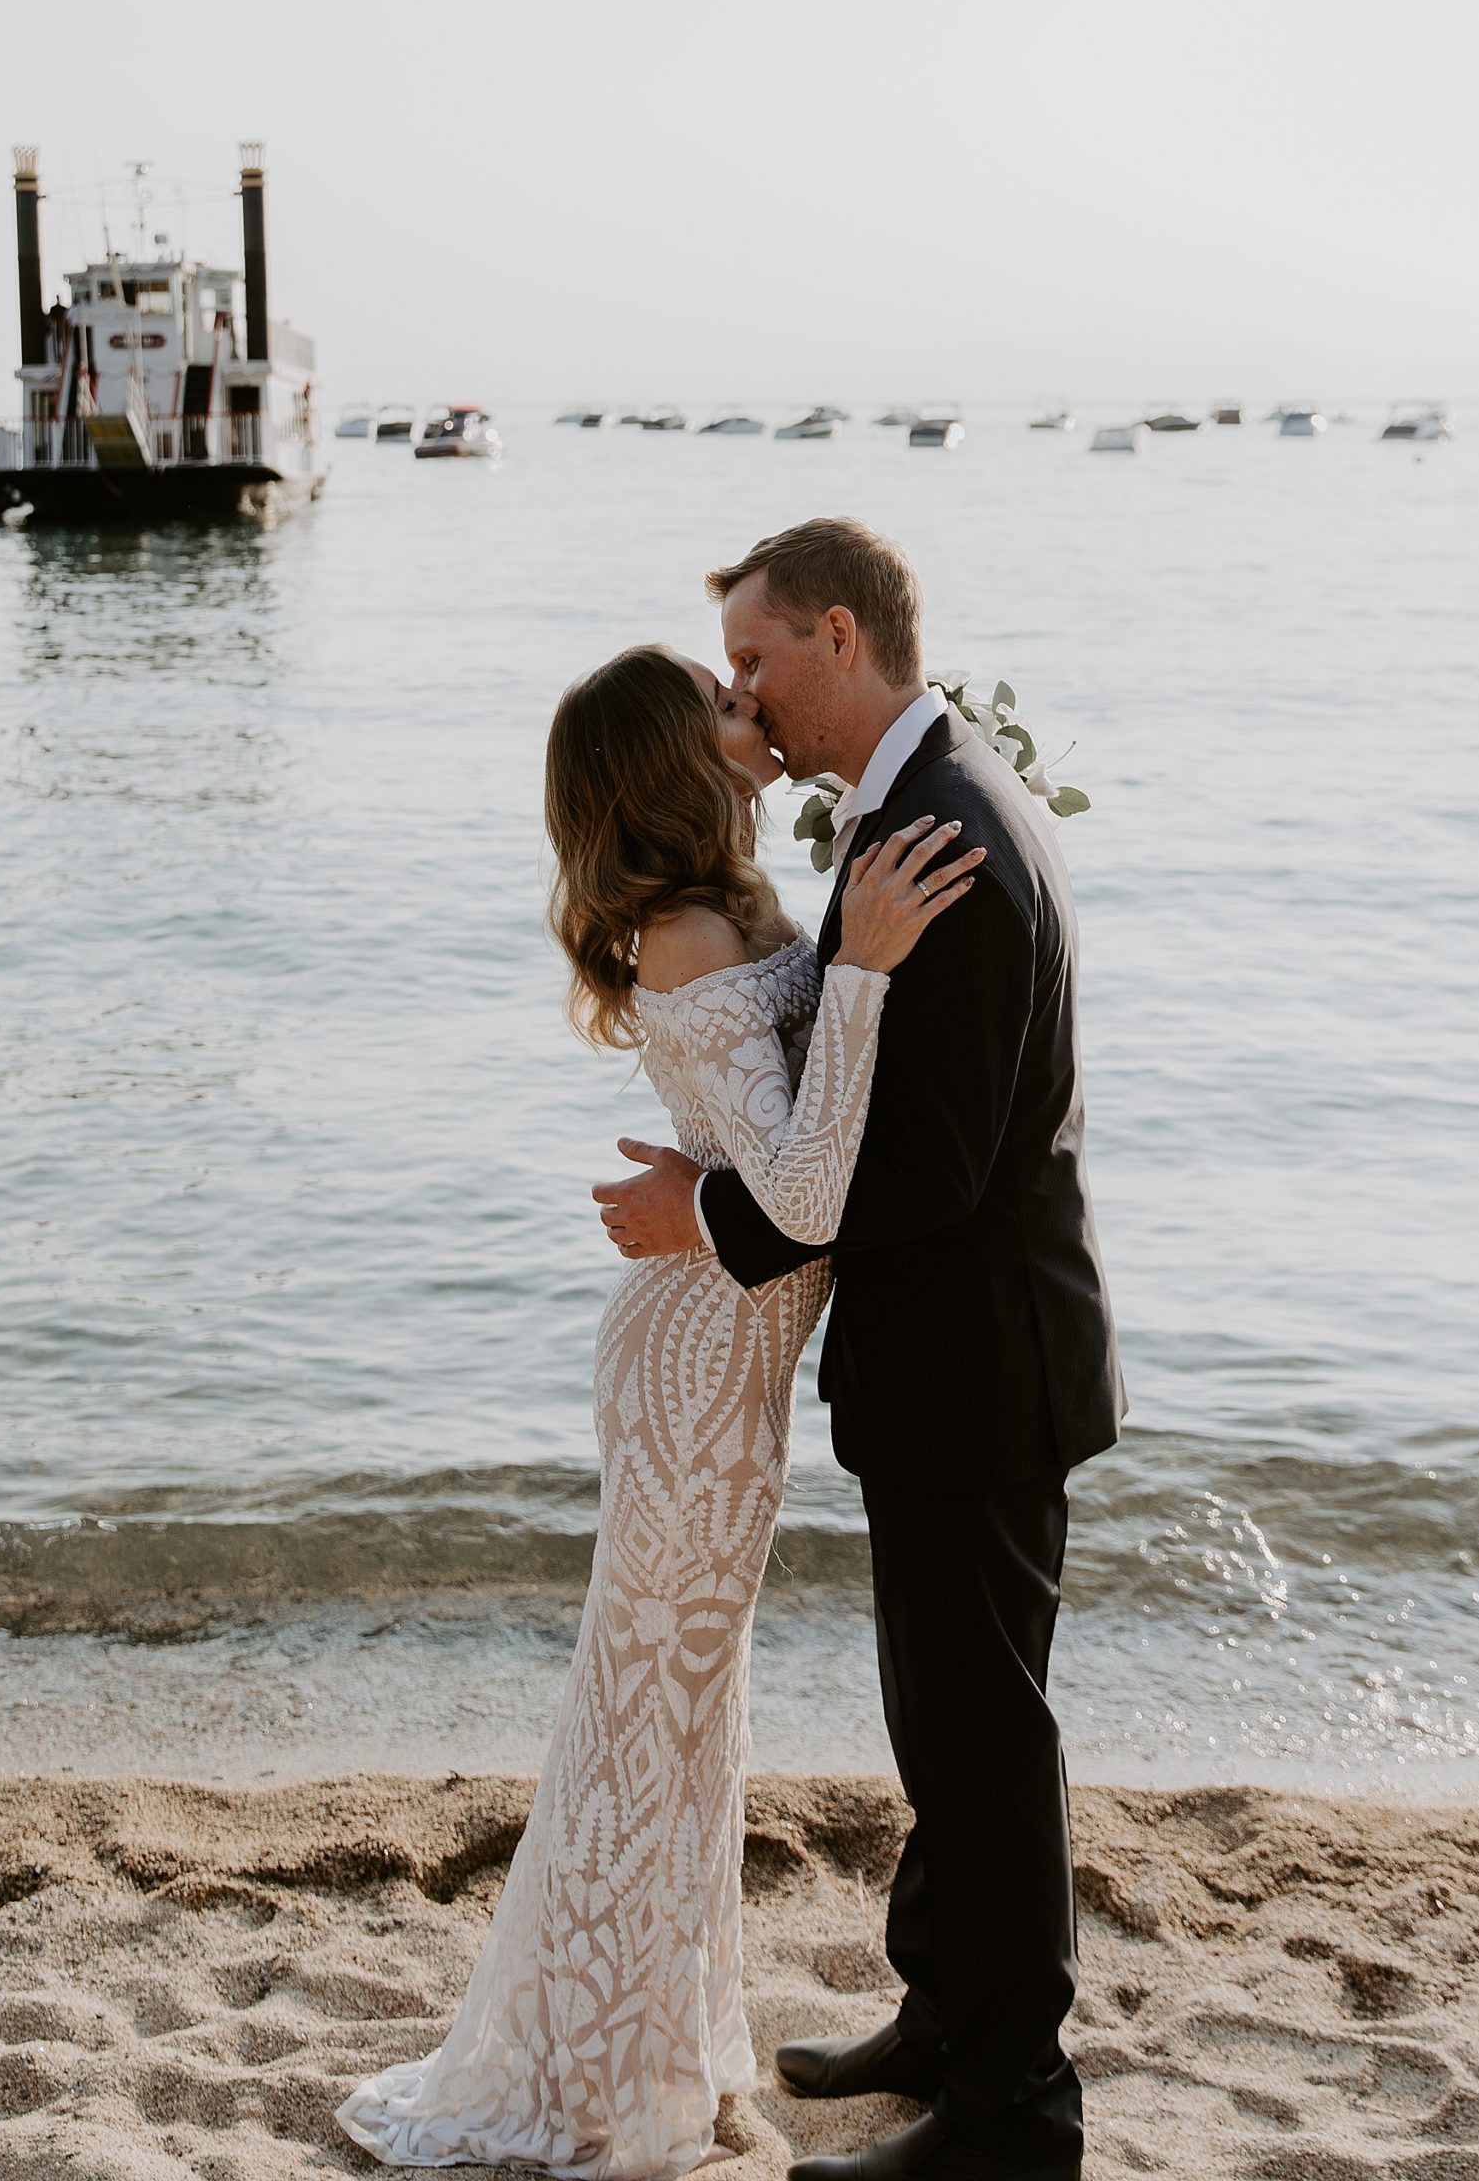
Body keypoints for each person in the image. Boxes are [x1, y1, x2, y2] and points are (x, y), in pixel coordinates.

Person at [338, 641, 982, 2174]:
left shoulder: (746, 901)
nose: (746, 705)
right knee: (652, 1717)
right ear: (665, 760)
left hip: (732, 1347)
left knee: (691, 1715)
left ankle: (669, 2050)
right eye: (717, 697)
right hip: (699, 1364)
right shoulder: (687, 936)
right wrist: (873, 971)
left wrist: (862, 963)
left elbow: (788, 1156)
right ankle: (601, 2082)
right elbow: (808, 1196)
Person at [596, 519, 1124, 2181]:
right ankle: (942, 2012)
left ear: (839, 635)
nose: (742, 694)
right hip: (960, 1360)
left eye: (755, 661)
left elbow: (922, 1172)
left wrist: (710, 1215)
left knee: (982, 1732)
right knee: (946, 1716)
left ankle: (1011, 2113)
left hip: (978, 1367)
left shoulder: (943, 832)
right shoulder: (925, 797)